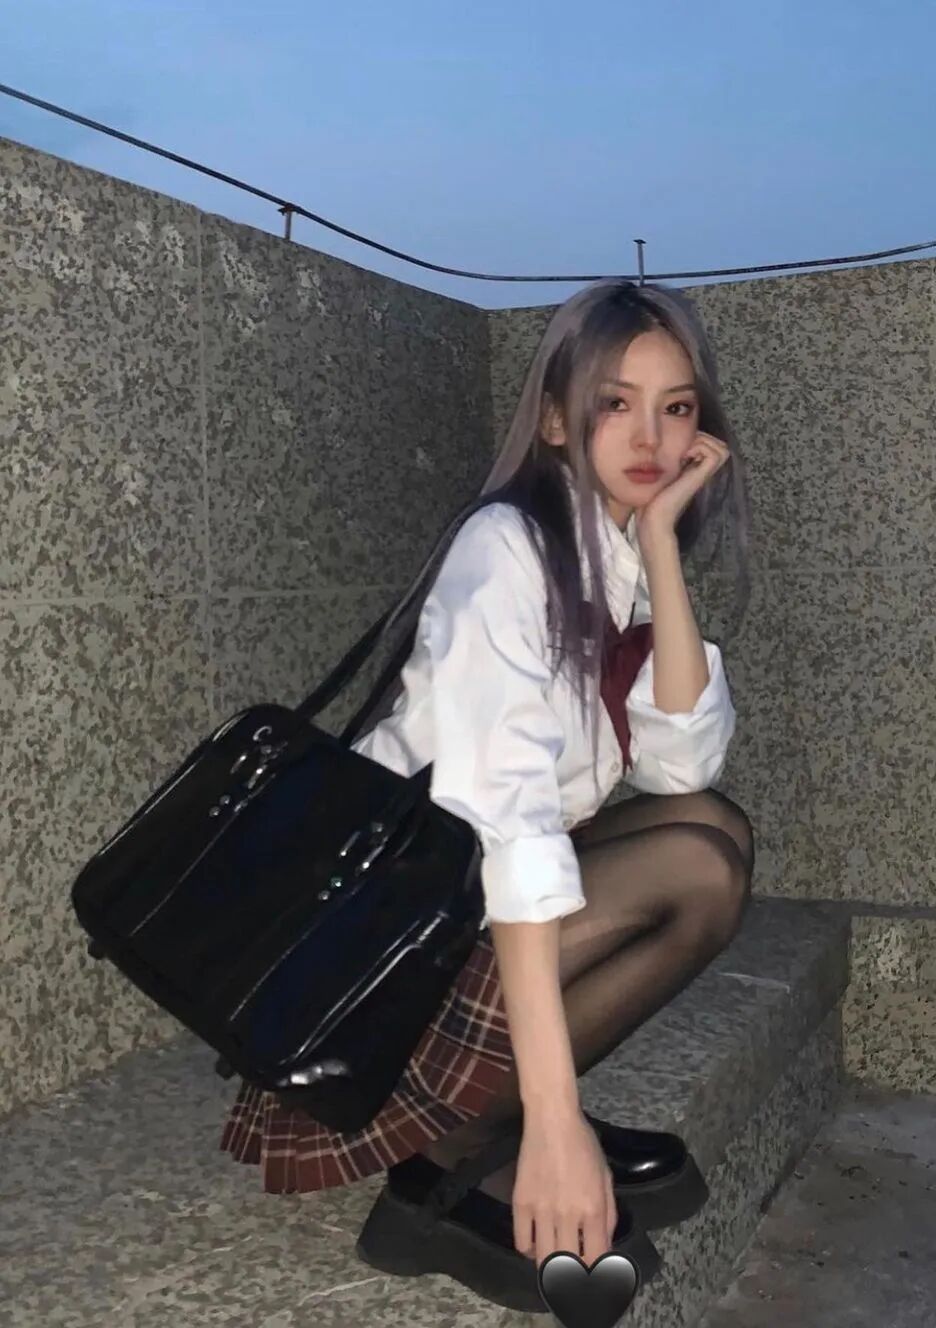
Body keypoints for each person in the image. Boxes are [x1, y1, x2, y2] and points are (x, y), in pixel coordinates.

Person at [221, 278, 755, 1311]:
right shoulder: (505, 548)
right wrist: (559, 1122)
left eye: (677, 406)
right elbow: (509, 828)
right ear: (555, 418)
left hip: (461, 925)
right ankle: (451, 1155)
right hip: (377, 972)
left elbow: (683, 766)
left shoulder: (613, 560)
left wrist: (660, 546)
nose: (650, 435)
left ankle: (496, 1119)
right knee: (695, 865)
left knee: (710, 830)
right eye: (615, 402)